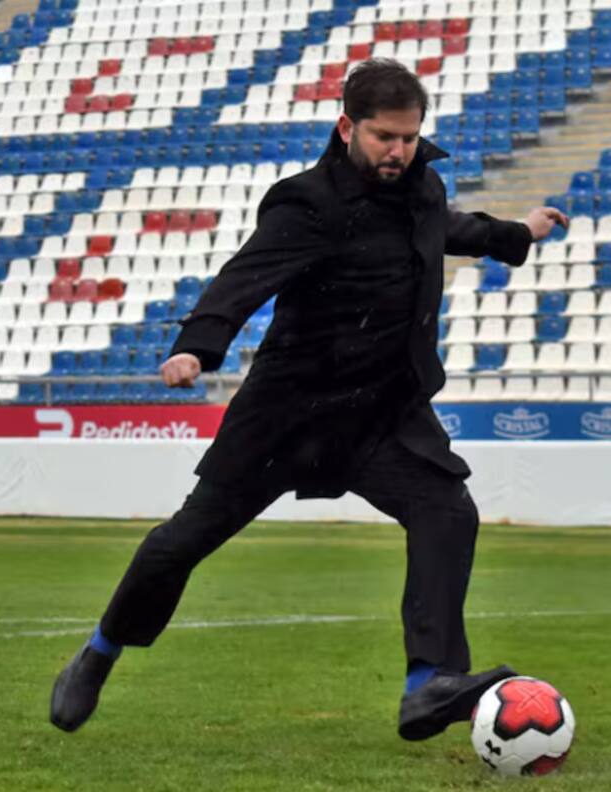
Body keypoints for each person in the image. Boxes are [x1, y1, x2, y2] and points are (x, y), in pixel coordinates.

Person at [50, 58, 568, 740]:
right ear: (347, 126)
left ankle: (428, 683)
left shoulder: (421, 190)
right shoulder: (307, 202)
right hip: (288, 414)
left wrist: (519, 233)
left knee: (447, 511)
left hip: (381, 415)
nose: (399, 151)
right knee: (182, 542)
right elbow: (245, 276)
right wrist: (198, 347)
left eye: (410, 138)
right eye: (385, 137)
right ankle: (100, 651)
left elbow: (452, 227)